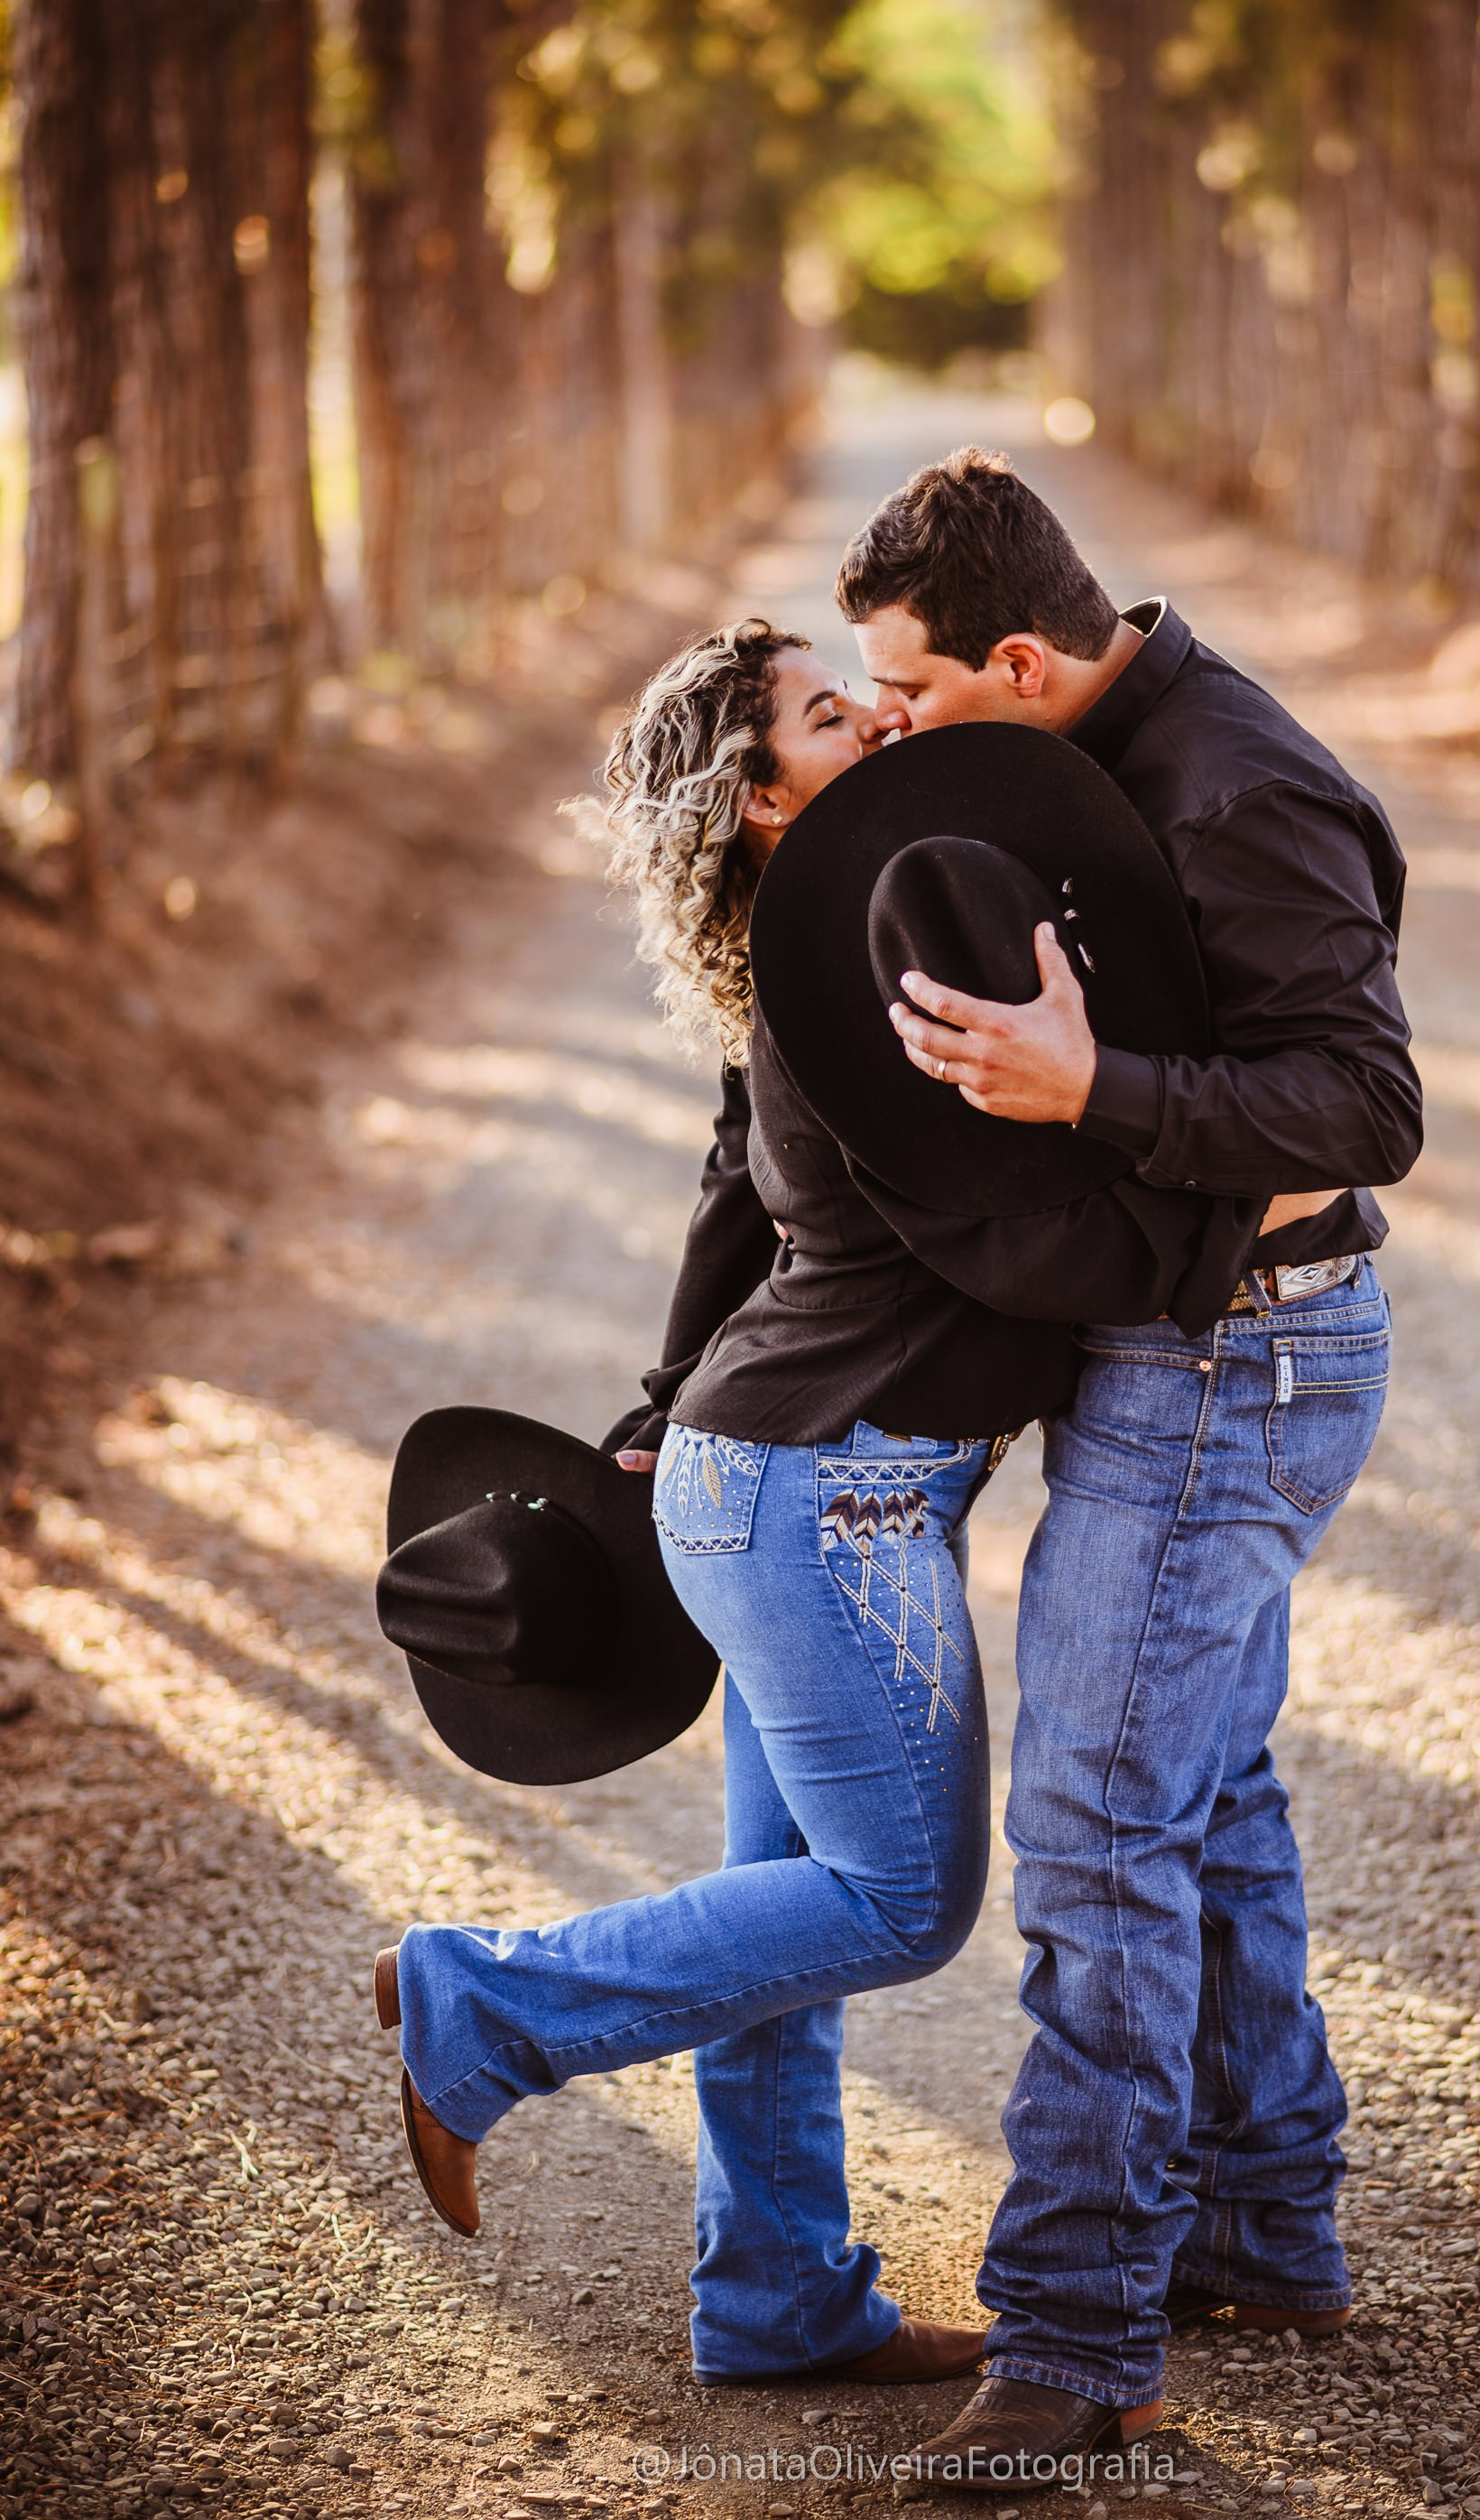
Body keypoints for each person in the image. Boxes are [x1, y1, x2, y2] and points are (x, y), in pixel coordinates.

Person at [378, 618, 1271, 2408]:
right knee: (893, 1900)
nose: (875, 714)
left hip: (792, 1481)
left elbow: (735, 1204)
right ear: (766, 802)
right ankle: (488, 2001)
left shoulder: (848, 958)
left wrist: (650, 1404)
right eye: (825, 713)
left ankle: (778, 2295)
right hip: (817, 1499)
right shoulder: (875, 998)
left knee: (787, 1896)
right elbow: (1024, 1246)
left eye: (863, 691)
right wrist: (1229, 1208)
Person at [828, 451, 1422, 2483]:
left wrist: (1093, 1087)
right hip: (1170, 1332)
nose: (890, 738)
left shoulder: (1234, 785)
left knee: (1091, 1823)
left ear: (1018, 658)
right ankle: (1266, 2228)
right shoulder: (1055, 752)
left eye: (906, 699)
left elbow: (1365, 1101)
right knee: (1206, 1784)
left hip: (1238, 1357)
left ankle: (1075, 2342)